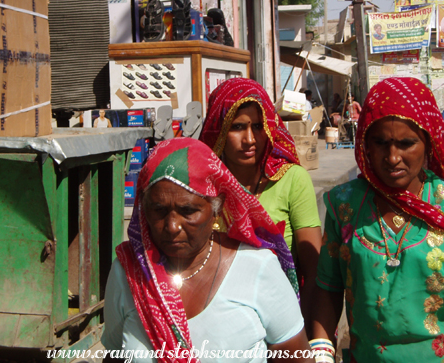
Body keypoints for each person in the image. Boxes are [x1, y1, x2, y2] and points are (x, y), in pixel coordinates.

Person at [102, 138, 314, 362]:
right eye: (159, 210)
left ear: (216, 207)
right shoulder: (128, 273)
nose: (172, 226)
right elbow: (114, 356)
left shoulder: (257, 268)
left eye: (188, 210)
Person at [313, 77, 444, 362]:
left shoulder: (441, 201)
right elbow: (329, 286)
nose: (393, 157)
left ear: (428, 142)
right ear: (366, 145)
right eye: (381, 143)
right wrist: (321, 352)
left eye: (407, 143)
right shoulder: (344, 204)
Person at [199, 78, 322, 338]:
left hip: (284, 325)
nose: (250, 139)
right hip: (221, 327)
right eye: (237, 127)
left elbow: (314, 272)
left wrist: (313, 340)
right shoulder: (203, 187)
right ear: (219, 130)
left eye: (257, 126)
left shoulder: (292, 180)